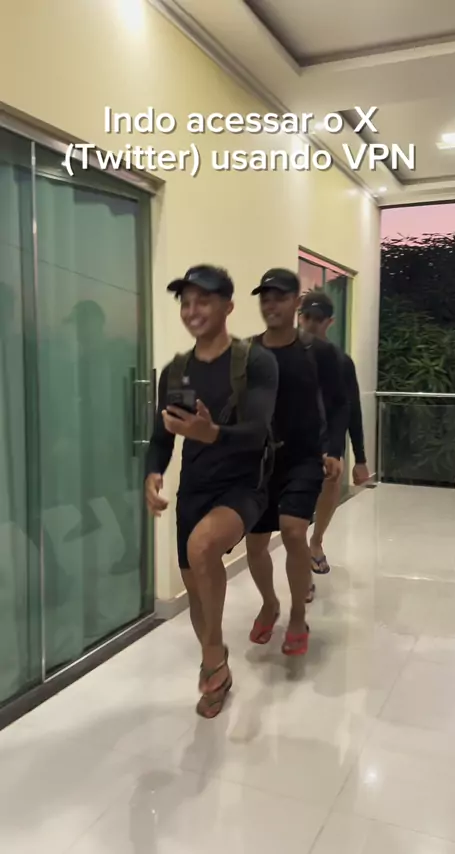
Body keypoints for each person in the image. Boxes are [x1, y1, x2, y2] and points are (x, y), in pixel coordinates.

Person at [144, 264, 278, 718]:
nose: (192, 310)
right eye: (185, 302)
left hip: (244, 484)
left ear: (228, 306)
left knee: (202, 547)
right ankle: (218, 667)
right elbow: (163, 435)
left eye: (203, 300)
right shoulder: (176, 371)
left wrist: (212, 433)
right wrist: (153, 472)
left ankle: (212, 656)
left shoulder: (254, 362)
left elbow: (257, 431)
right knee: (197, 590)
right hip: (195, 489)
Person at [245, 268, 348, 656]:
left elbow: (338, 404)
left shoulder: (317, 352)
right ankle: (269, 603)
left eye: (280, 298)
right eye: (265, 298)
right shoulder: (247, 352)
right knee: (255, 542)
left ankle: (297, 616)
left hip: (303, 457)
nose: (271, 305)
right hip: (259, 461)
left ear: (295, 303)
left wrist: (334, 449)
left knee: (292, 531)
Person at [299, 289, 370, 575]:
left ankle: (316, 541)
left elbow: (352, 409)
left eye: (319, 319)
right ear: (300, 317)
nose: (312, 324)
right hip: (294, 440)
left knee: (329, 486)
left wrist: (360, 458)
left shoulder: (341, 361)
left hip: (329, 441)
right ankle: (301, 562)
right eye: (307, 317)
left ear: (330, 322)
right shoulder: (283, 355)